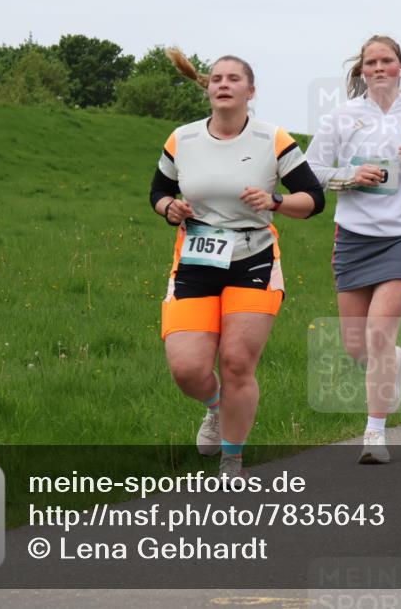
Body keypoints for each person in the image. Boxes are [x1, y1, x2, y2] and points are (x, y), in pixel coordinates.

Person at [150, 48, 324, 480]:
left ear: (251, 91)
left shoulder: (273, 139)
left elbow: (314, 199)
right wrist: (169, 207)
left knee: (236, 363)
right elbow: (158, 192)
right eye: (216, 78)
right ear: (207, 89)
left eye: (233, 78)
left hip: (253, 258)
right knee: (188, 369)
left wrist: (276, 200)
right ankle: (214, 407)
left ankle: (232, 460)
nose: (223, 84)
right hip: (195, 259)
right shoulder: (182, 139)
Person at [305, 35, 401, 464]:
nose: (378, 68)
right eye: (370, 62)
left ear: (400, 67)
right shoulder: (342, 116)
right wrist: (349, 177)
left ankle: (374, 434)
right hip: (353, 236)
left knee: (378, 334)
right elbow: (311, 171)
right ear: (361, 71)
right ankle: (395, 359)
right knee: (359, 347)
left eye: (386, 61)